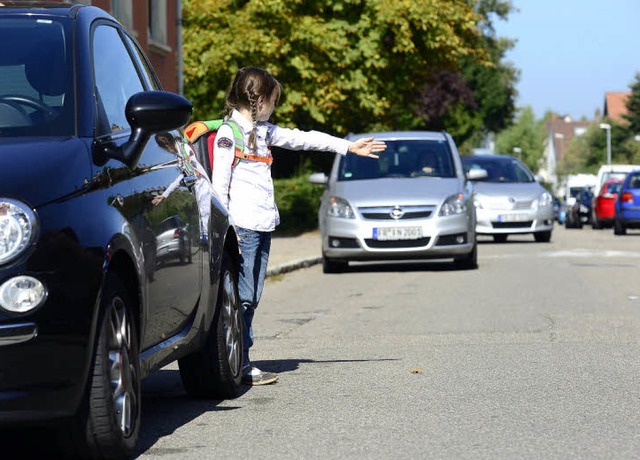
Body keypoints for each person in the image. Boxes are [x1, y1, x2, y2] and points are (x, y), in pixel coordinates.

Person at [212, 66, 386, 386]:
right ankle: (238, 361)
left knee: (252, 296)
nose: (274, 108)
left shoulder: (263, 132)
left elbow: (303, 139)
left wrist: (348, 147)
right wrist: (225, 234)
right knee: (244, 296)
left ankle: (239, 359)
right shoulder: (229, 134)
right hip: (243, 229)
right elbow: (219, 189)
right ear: (258, 100)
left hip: (263, 225)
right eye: (273, 101)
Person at [153, 133, 213, 243]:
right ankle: (204, 236)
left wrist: (185, 180)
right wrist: (165, 194)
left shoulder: (185, 149)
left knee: (205, 211)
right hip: (196, 186)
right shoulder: (180, 154)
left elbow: (194, 170)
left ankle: (206, 236)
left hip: (202, 184)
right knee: (201, 211)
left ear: (167, 146)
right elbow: (183, 175)